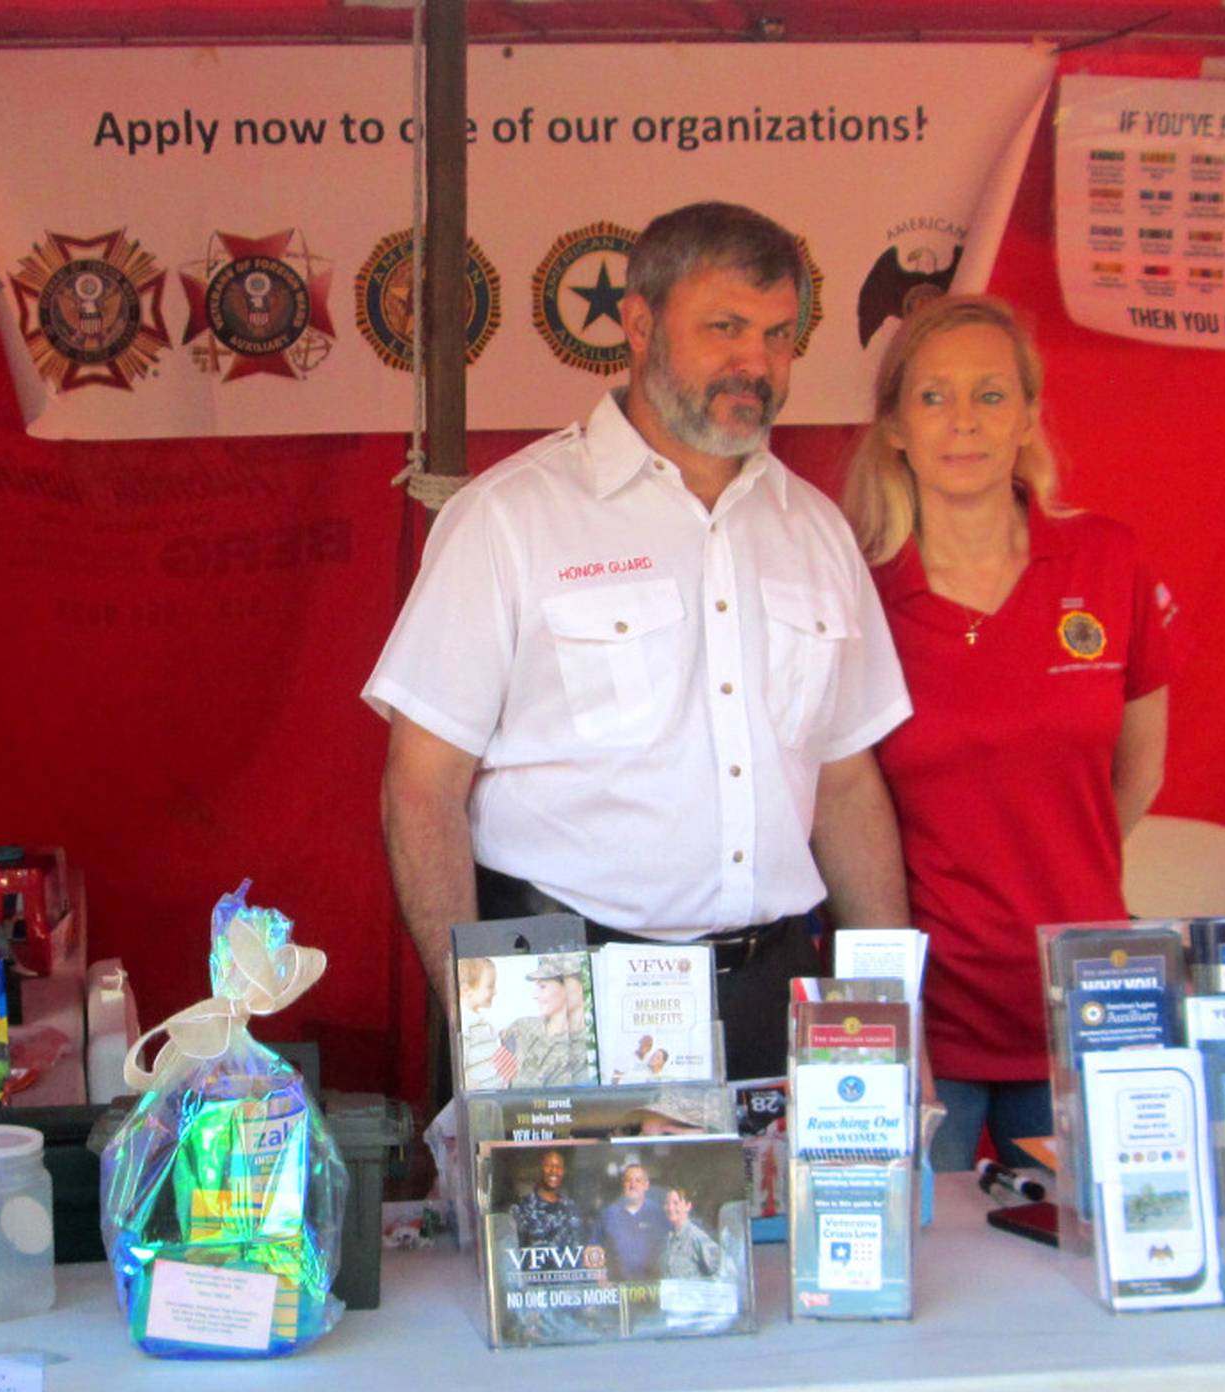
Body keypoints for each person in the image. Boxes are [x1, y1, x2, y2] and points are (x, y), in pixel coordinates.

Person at [367, 200, 912, 1081]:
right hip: (560, 985)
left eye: (778, 335)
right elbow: (422, 787)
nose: (757, 364)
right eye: (724, 328)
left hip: (768, 987)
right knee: (582, 1226)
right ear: (637, 323)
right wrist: (491, 1038)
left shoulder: (815, 529)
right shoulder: (512, 517)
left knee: (785, 1223)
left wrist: (889, 1011)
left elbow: (847, 784)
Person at [843, 294, 1175, 1170]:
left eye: (991, 395)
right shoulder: (856, 592)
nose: (964, 422)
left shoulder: (1108, 560)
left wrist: (1054, 865)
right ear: (895, 428)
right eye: (934, 396)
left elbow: (1136, 773)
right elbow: (837, 809)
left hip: (1083, 1007)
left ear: (1029, 416)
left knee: (1088, 1281)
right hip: (922, 1020)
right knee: (927, 1283)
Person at [499, 955, 588, 1087]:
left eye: (542, 987)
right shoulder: (520, 1029)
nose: (535, 995)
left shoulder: (585, 1048)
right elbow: (491, 1081)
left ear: (571, 987)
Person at [597, 1162, 670, 1279]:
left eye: (638, 1181)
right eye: (628, 1180)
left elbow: (670, 1249)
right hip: (618, 1287)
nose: (633, 1185)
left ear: (646, 1185)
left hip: (652, 1287)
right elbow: (594, 1249)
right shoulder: (608, 1214)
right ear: (623, 1184)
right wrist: (601, 1279)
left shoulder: (658, 1214)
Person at [510, 1148, 585, 1251]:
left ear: (563, 1171)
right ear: (540, 1169)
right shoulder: (522, 1208)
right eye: (548, 1166)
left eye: (559, 1167)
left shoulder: (571, 1208)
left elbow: (579, 1247)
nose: (554, 1171)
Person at [455, 955, 510, 1091]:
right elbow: (460, 1068)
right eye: (490, 986)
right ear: (467, 990)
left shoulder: (483, 1023)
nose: (495, 991)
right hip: (482, 1100)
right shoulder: (465, 1025)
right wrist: (477, 1091)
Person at [657, 1183, 723, 1279]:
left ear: (688, 1206)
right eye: (667, 1203)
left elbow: (723, 1270)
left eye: (676, 1203)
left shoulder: (696, 1236)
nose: (670, 1208)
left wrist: (700, 1290)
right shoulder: (667, 1239)